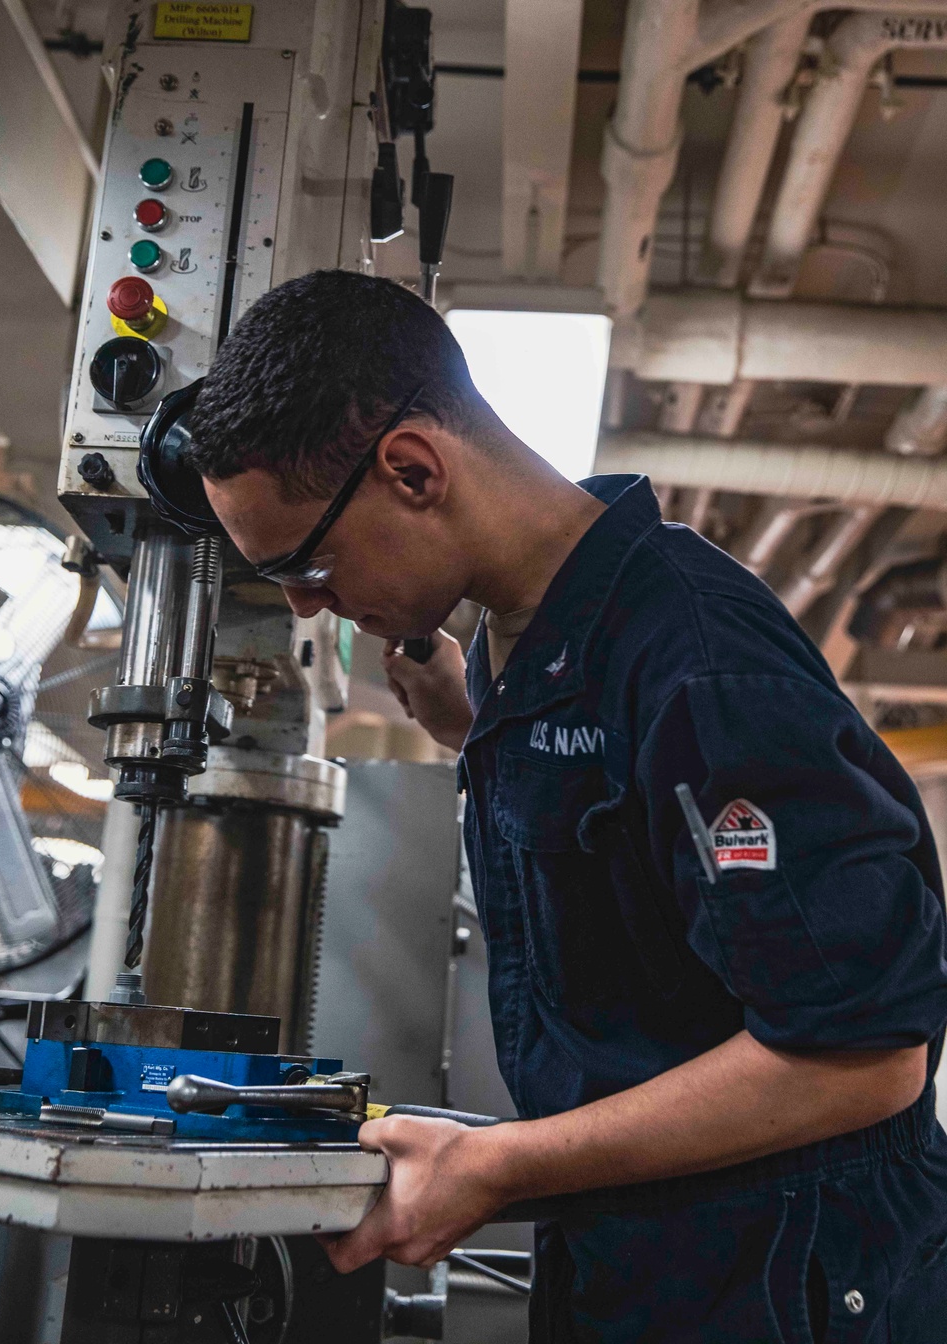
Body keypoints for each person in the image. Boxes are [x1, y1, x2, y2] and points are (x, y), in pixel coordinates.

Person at [185, 269, 947, 1342]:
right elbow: (628, 837)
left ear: (410, 470)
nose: (310, 606)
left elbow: (862, 1055)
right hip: (648, 1269)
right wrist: (475, 730)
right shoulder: (535, 647)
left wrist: (495, 1164)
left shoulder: (695, 660)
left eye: (306, 565)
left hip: (783, 1285)